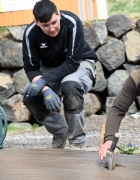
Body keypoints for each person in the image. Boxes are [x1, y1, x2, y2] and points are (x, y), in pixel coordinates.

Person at [22, 0, 98, 149]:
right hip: (50, 67)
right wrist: (45, 90)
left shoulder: (73, 23)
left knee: (70, 85)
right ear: (36, 22)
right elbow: (31, 68)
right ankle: (60, 132)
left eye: (54, 22)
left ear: (59, 14)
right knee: (31, 96)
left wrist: (44, 82)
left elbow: (72, 63)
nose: (51, 28)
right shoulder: (30, 33)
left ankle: (76, 142)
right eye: (45, 25)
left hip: (80, 63)